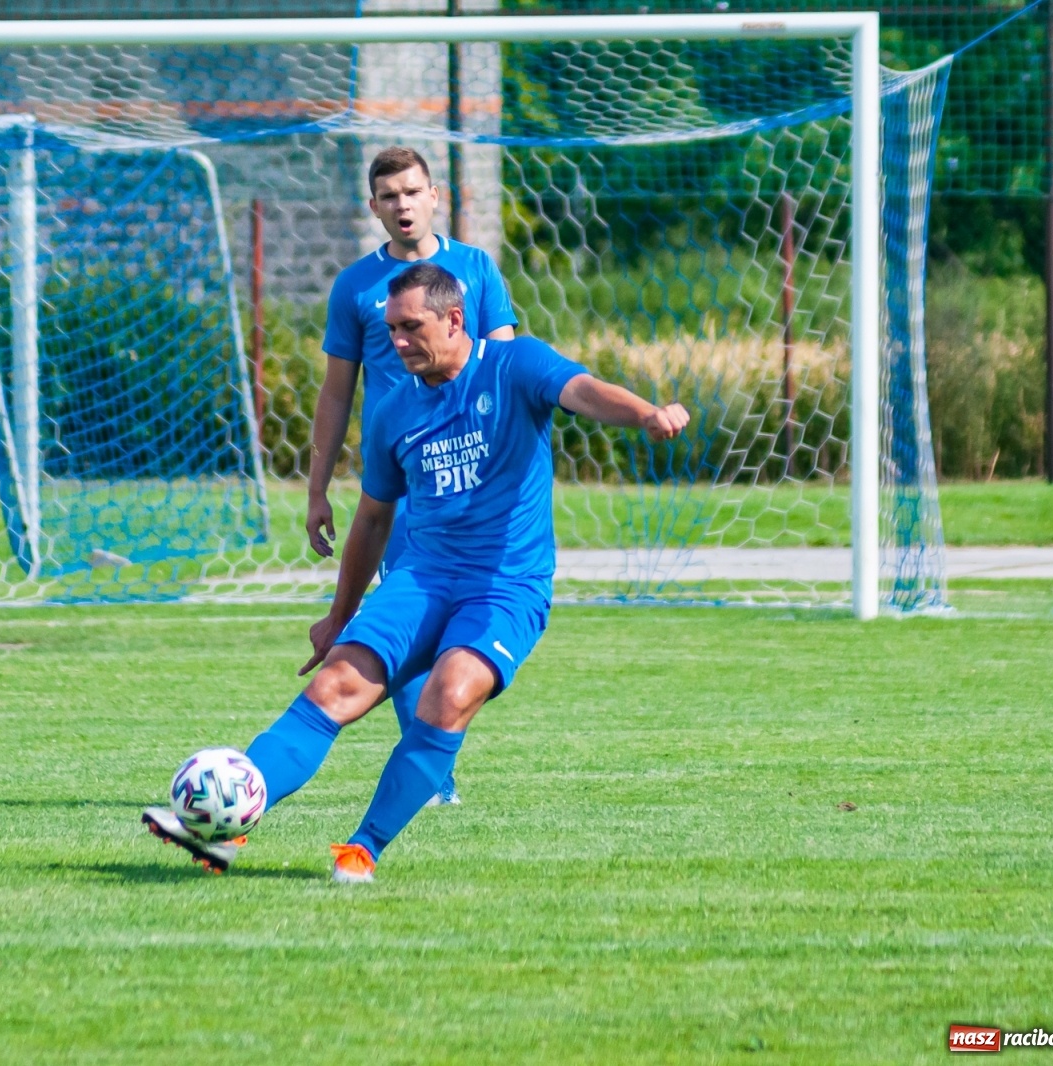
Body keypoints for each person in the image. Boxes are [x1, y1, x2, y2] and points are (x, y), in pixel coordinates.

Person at [145, 262, 688, 880]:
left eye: (410, 327)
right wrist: (339, 615)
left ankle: (363, 848)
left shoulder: (517, 366)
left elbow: (583, 391)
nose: (396, 342)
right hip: (422, 578)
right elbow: (373, 521)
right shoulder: (393, 412)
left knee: (450, 693)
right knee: (333, 689)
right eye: (391, 329)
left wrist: (644, 412)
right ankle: (225, 827)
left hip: (506, 586)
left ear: (455, 319)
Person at [306, 146, 518, 806]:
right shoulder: (355, 288)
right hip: (402, 483)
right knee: (405, 615)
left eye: (412, 191)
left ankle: (430, 761)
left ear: (434, 196)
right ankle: (430, 780)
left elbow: (507, 369)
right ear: (373, 208)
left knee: (465, 624)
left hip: (472, 477)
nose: (402, 205)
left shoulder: (476, 271)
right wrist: (317, 488)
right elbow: (337, 393)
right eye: (389, 196)